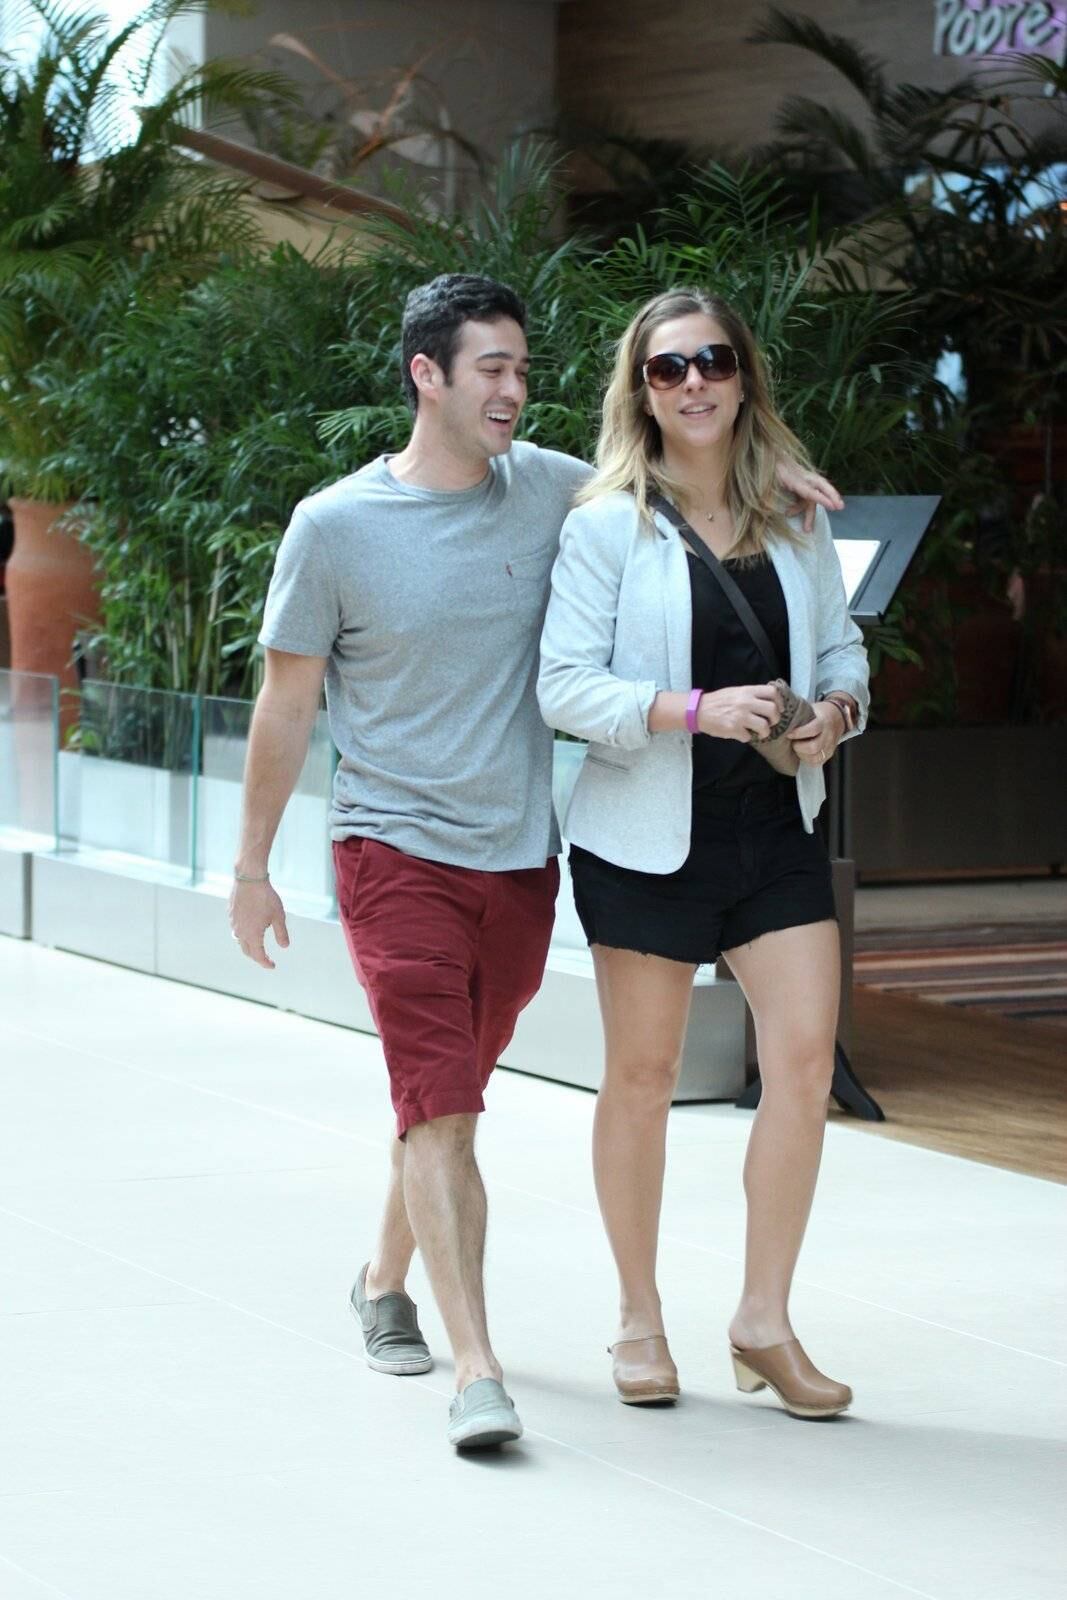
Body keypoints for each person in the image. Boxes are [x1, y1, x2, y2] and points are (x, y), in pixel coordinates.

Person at [228, 273, 843, 1451]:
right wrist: (252, 866)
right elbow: (285, 702)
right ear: (427, 375)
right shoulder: (334, 525)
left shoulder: (557, 490)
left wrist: (785, 476)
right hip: (390, 843)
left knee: (447, 1091)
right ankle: (476, 1368)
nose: (513, 388)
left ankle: (380, 1275)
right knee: (442, 1104)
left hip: (515, 854)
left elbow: (678, 470)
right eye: (492, 369)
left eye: (521, 367)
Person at [538, 287, 869, 1420]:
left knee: (801, 1063)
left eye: (711, 361)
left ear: (742, 376)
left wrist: (836, 714)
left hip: (775, 828)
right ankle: (637, 1317)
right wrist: (692, 709)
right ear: (640, 390)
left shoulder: (794, 516)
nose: (692, 383)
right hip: (644, 839)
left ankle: (762, 1320)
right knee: (642, 1077)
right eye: (666, 367)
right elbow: (562, 688)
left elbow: (842, 648)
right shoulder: (604, 525)